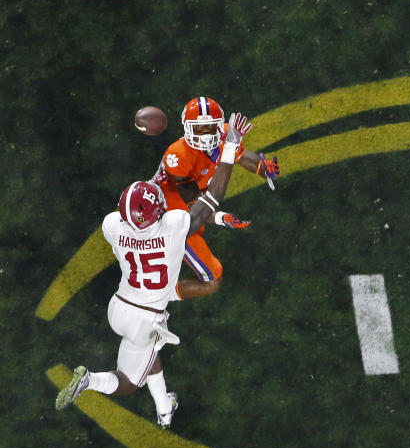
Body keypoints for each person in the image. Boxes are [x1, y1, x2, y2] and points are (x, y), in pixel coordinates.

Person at [55, 113, 253, 428]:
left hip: (121, 306)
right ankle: (90, 381)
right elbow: (210, 199)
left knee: (150, 354)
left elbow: (135, 215)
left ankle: (164, 408)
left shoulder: (112, 226)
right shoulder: (173, 225)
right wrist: (230, 148)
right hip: (146, 318)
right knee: (128, 381)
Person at [151, 96, 279, 301]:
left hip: (196, 209)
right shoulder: (177, 155)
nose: (205, 136)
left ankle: (155, 294)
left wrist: (262, 168)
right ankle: (155, 297)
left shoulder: (227, 134)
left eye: (210, 128)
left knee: (213, 277)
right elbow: (194, 208)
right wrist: (219, 217)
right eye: (199, 129)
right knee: (212, 279)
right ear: (187, 128)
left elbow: (242, 155)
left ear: (220, 127)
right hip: (170, 215)